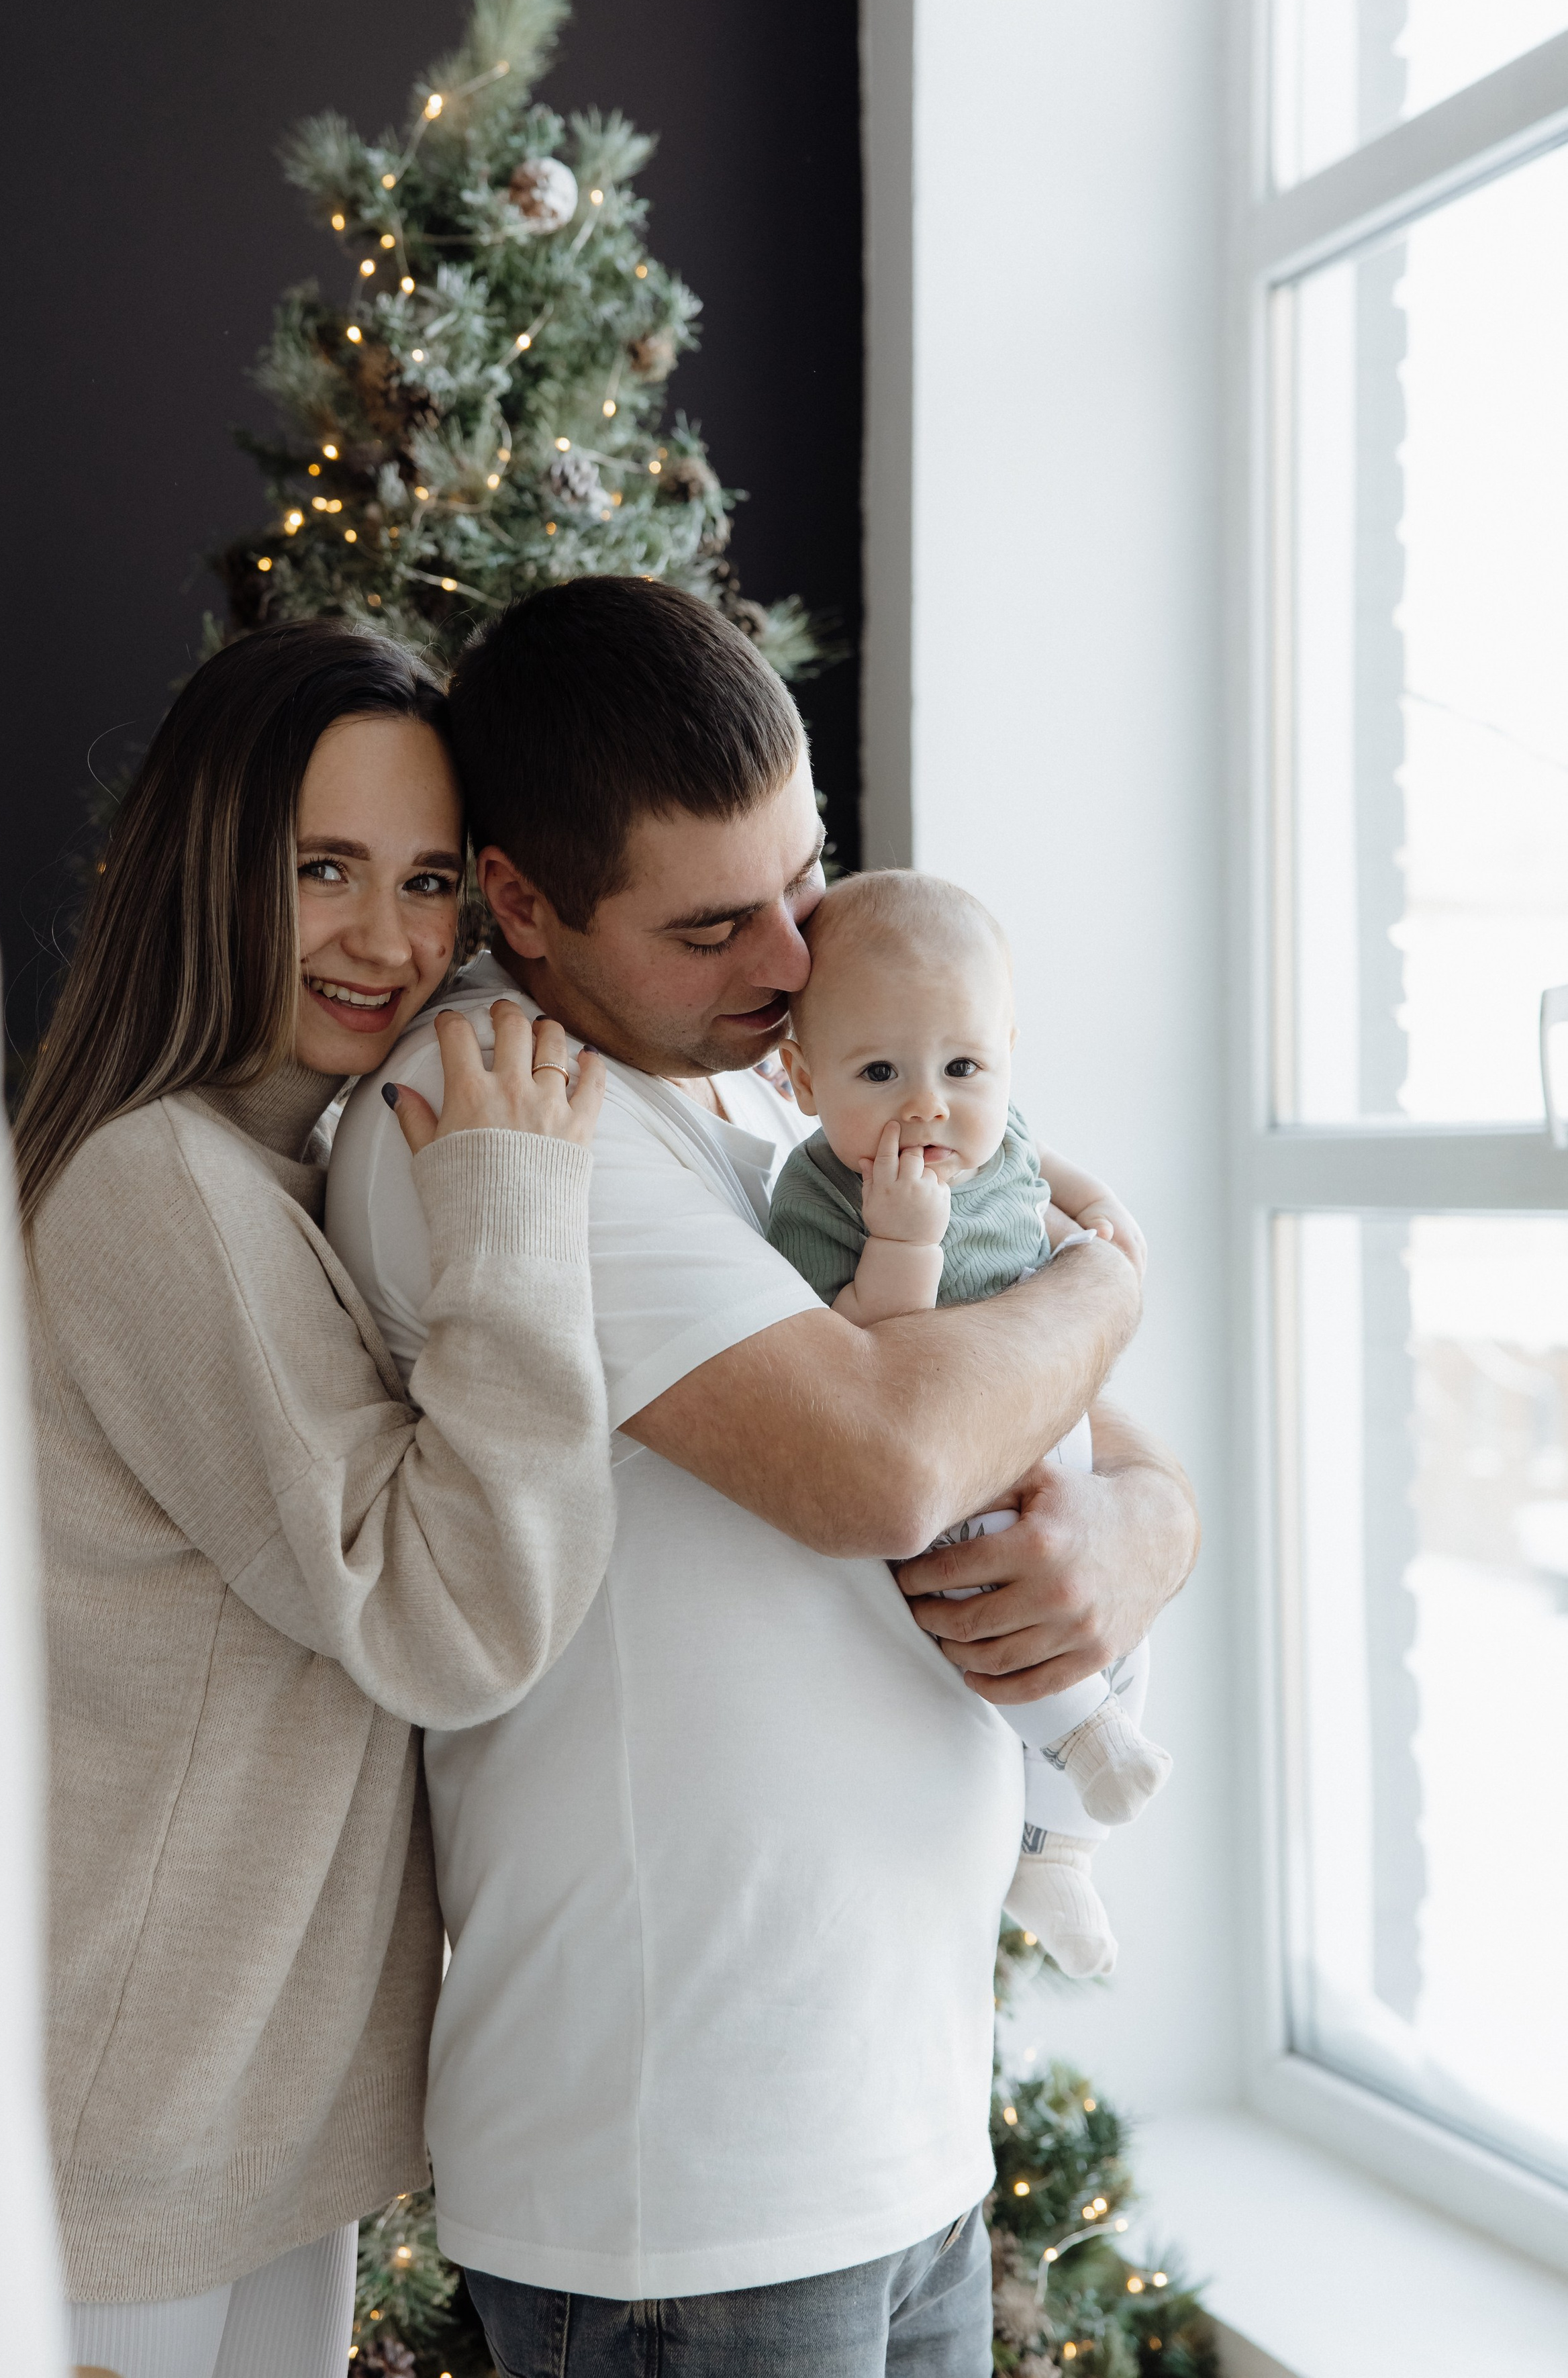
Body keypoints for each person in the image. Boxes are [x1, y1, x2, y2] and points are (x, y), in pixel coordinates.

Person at [326, 577, 1198, 2378]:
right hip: (688, 2181)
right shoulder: (492, 1110)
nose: (795, 964)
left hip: (893, 2123)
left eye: (803, 883)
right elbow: (884, 1463)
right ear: (520, 905)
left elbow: (1047, 1417)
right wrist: (1112, 1283)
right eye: (715, 924)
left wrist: (1144, 1528)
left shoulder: (749, 1095)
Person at [15, 619, 615, 2378]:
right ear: (214, 869)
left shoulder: (273, 1166)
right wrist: (511, 1215)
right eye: (325, 870)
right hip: (124, 2134)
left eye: (430, 879)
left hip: (225, 2118)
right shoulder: (158, 1186)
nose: (392, 941)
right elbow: (456, 1620)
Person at [767, 866, 1173, 1981]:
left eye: (962, 1067)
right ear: (801, 1079)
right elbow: (864, 1352)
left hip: (1059, 1442)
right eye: (880, 1072)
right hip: (960, 1479)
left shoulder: (993, 1136)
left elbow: (1036, 1161)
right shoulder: (822, 1199)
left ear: (1004, 1053)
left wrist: (1093, 1215)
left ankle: (1062, 1851)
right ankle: (1083, 1742)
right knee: (998, 1596)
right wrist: (903, 1241)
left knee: (1119, 1621)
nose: (928, 1106)